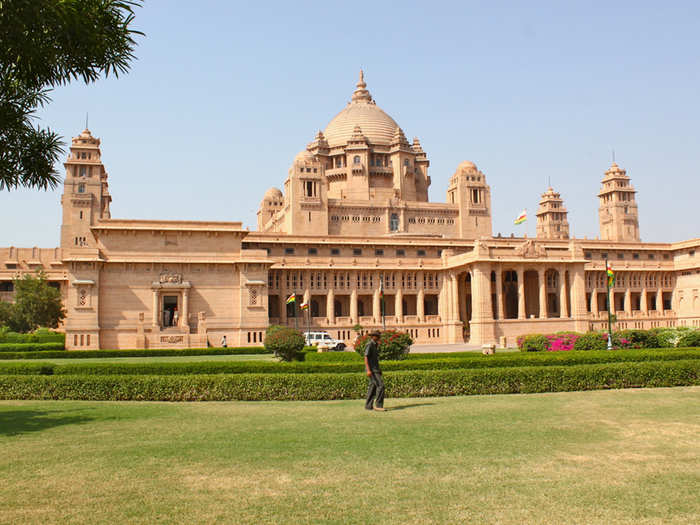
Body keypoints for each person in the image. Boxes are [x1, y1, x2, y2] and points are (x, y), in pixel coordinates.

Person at [364, 331, 385, 411]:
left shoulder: (375, 345)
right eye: (377, 336)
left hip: (375, 369)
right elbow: (366, 357)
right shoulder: (370, 344)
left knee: (372, 387)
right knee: (381, 386)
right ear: (373, 337)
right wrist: (368, 370)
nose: (379, 337)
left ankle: (368, 405)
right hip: (372, 370)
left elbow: (374, 359)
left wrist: (379, 369)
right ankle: (379, 405)